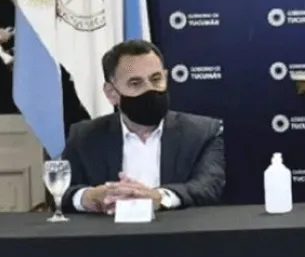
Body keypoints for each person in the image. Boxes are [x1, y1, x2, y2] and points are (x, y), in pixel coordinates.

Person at [60, 39, 225, 213]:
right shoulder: (85, 136)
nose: (149, 89)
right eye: (135, 83)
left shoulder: (203, 133)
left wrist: (160, 197)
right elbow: (62, 191)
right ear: (111, 93)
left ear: (166, 78)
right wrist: (88, 197)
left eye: (156, 79)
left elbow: (209, 186)